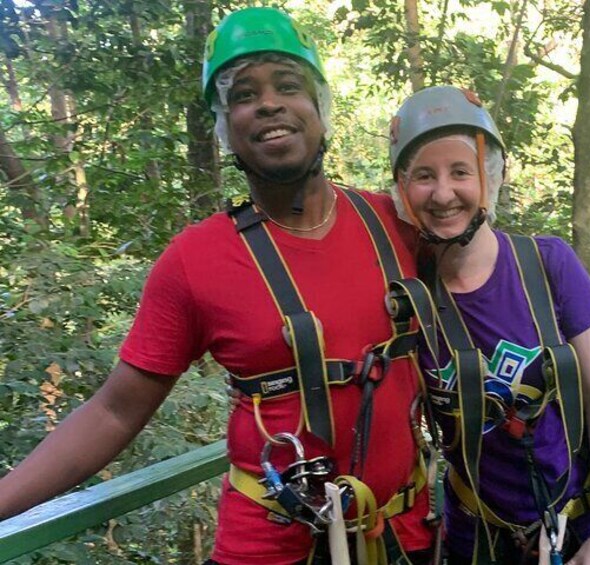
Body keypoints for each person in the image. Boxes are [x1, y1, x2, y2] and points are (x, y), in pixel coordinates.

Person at [0, 8, 435, 564]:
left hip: (404, 537)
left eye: (288, 85)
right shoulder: (195, 260)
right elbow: (114, 411)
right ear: (225, 125)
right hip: (268, 546)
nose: (269, 103)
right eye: (243, 94)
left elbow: (491, 290)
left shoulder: (397, 224)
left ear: (321, 109)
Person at [388, 86, 590, 564]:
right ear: (402, 189)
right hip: (474, 537)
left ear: (490, 178)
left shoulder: (547, 266)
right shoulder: (406, 291)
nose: (442, 194)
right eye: (423, 175)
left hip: (576, 528)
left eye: (460, 171)